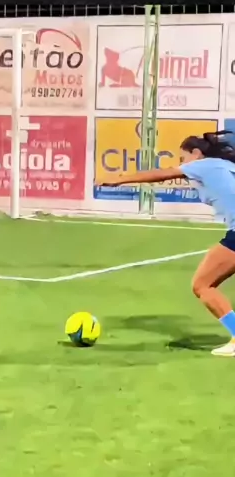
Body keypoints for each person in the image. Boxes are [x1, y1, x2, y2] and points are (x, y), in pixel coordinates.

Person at [98, 130, 235, 357]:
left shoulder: (202, 165)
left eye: (183, 158)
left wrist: (120, 179)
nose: (181, 164)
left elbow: (162, 174)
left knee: (203, 285)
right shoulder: (225, 166)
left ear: (196, 153)